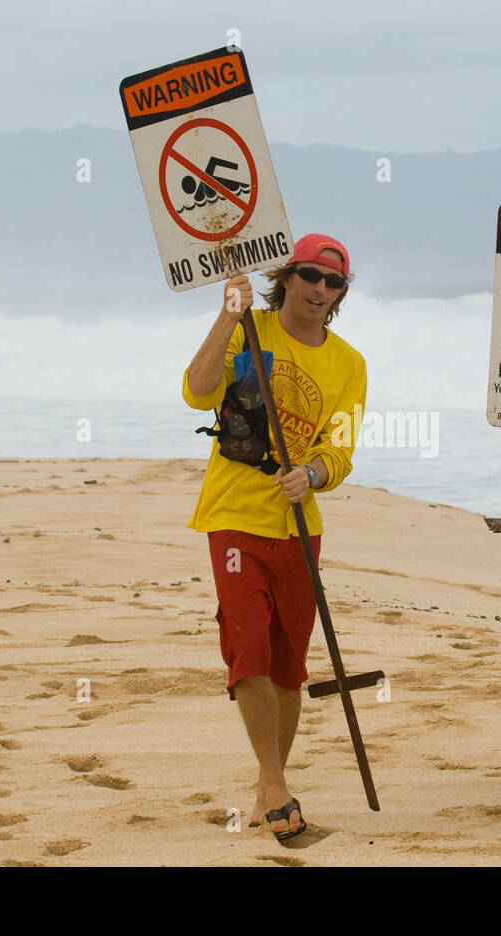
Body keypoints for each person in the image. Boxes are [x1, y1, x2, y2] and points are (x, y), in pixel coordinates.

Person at [182, 234, 367, 843]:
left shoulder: (348, 364)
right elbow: (197, 390)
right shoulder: (250, 331)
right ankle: (274, 783)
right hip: (235, 515)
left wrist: (310, 473)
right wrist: (227, 315)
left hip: (298, 526)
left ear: (340, 295)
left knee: (289, 663)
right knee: (247, 646)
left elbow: (339, 446)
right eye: (310, 275)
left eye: (332, 282)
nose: (319, 289)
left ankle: (270, 784)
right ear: (287, 277)